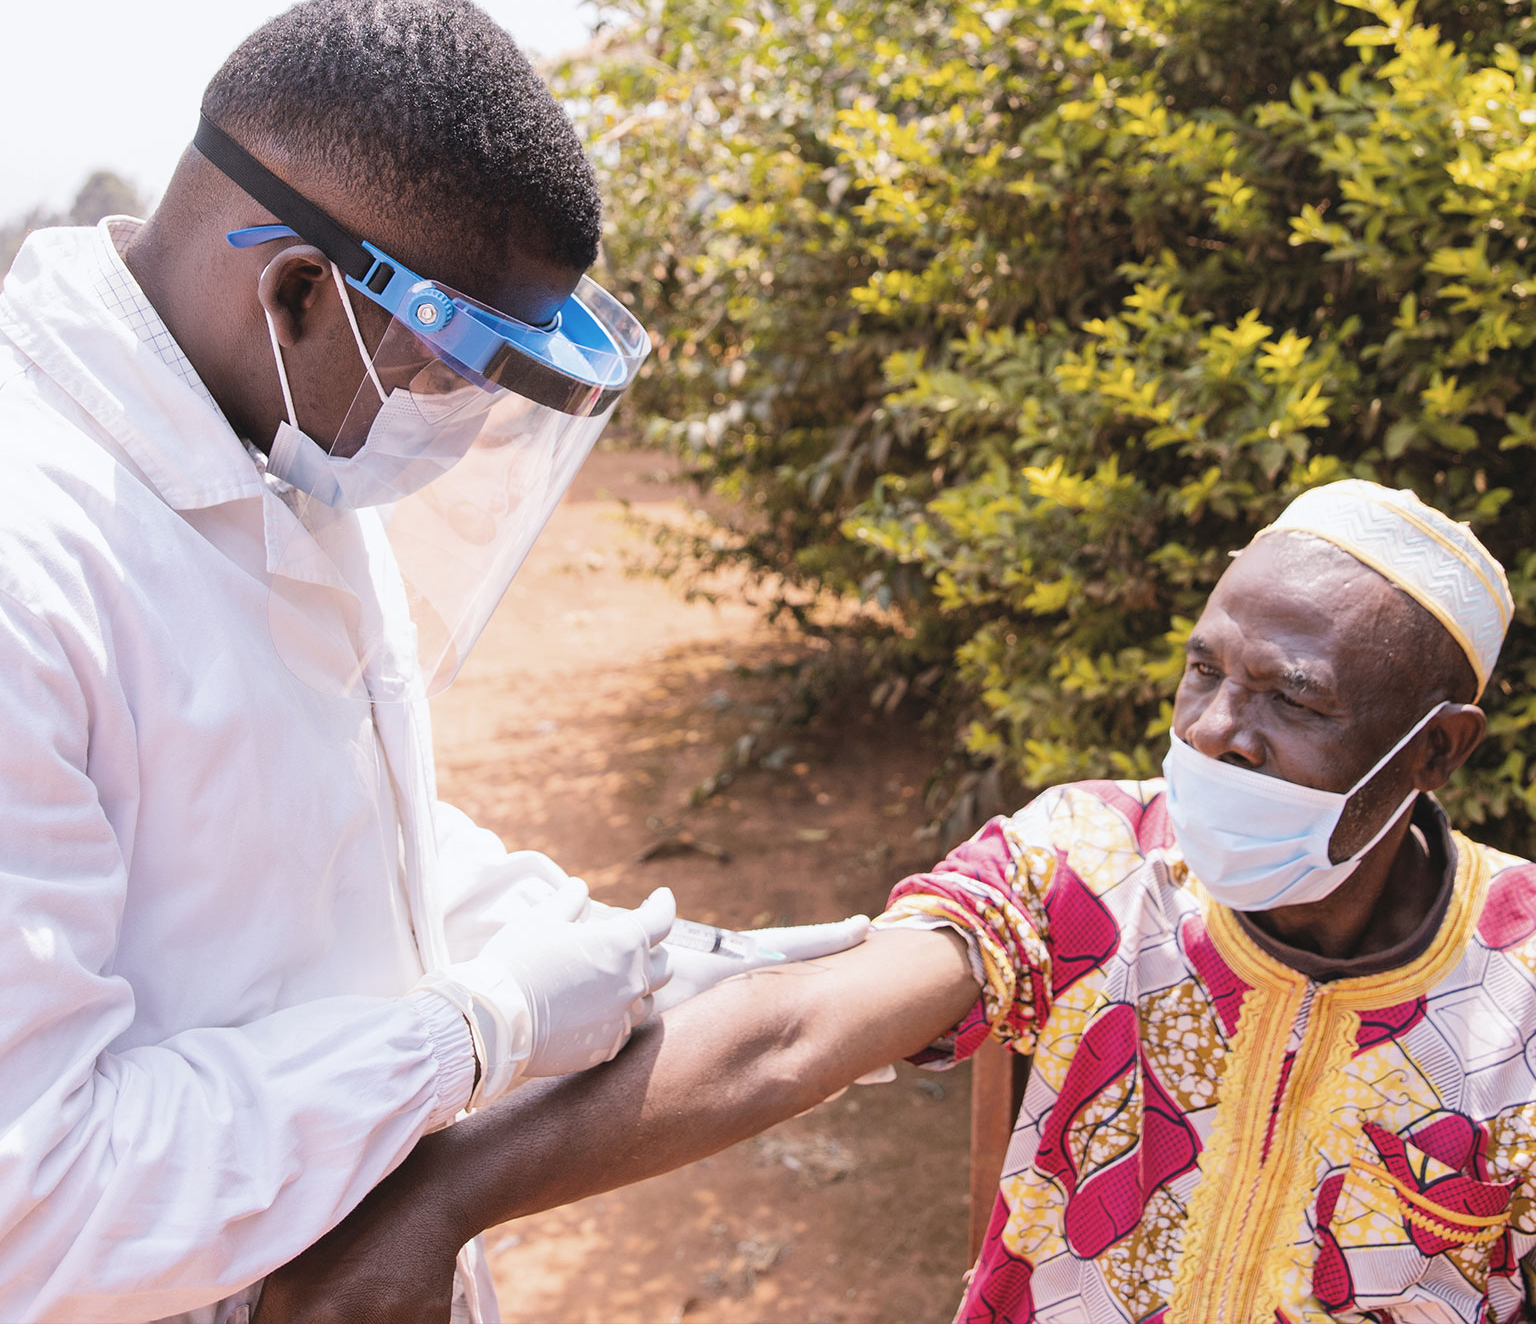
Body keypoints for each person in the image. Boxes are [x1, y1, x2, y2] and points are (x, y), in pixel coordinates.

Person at [0, 0, 863, 1324]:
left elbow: (325, 824)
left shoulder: (273, 446)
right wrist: (480, 1034)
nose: (450, 429)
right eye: (445, 378)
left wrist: (643, 953)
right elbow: (37, 1204)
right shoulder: (30, 567)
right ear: (295, 293)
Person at [258, 479, 1536, 1324]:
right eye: (1203, 672)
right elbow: (793, 1030)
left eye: (1291, 701)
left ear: (1435, 750)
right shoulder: (1089, 861)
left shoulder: (1517, 998)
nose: (1214, 732)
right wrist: (440, 1198)